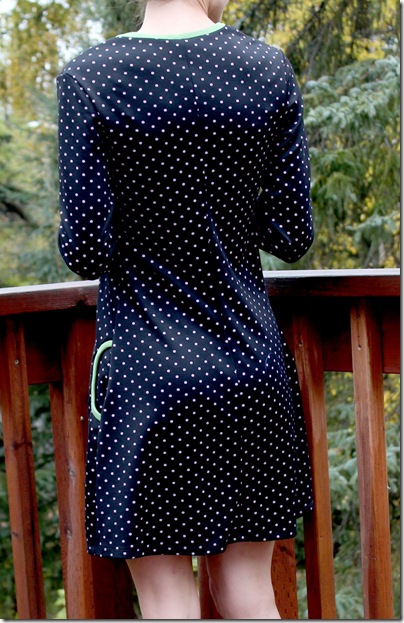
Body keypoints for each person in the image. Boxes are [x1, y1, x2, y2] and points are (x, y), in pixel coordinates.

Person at [56, 0, 314, 618]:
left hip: (147, 375)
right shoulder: (266, 68)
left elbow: (85, 249)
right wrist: (221, 212)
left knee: (166, 599)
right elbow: (291, 232)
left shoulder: (90, 76)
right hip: (248, 366)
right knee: (249, 591)